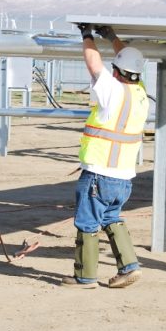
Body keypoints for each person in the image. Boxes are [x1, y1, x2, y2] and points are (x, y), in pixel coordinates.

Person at [61, 24, 149, 289]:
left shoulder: (113, 90)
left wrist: (86, 35)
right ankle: (129, 266)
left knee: (87, 222)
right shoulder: (139, 92)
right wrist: (111, 37)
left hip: (100, 173)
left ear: (117, 70)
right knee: (111, 218)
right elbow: (126, 58)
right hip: (123, 178)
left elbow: (93, 63)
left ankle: (85, 277)